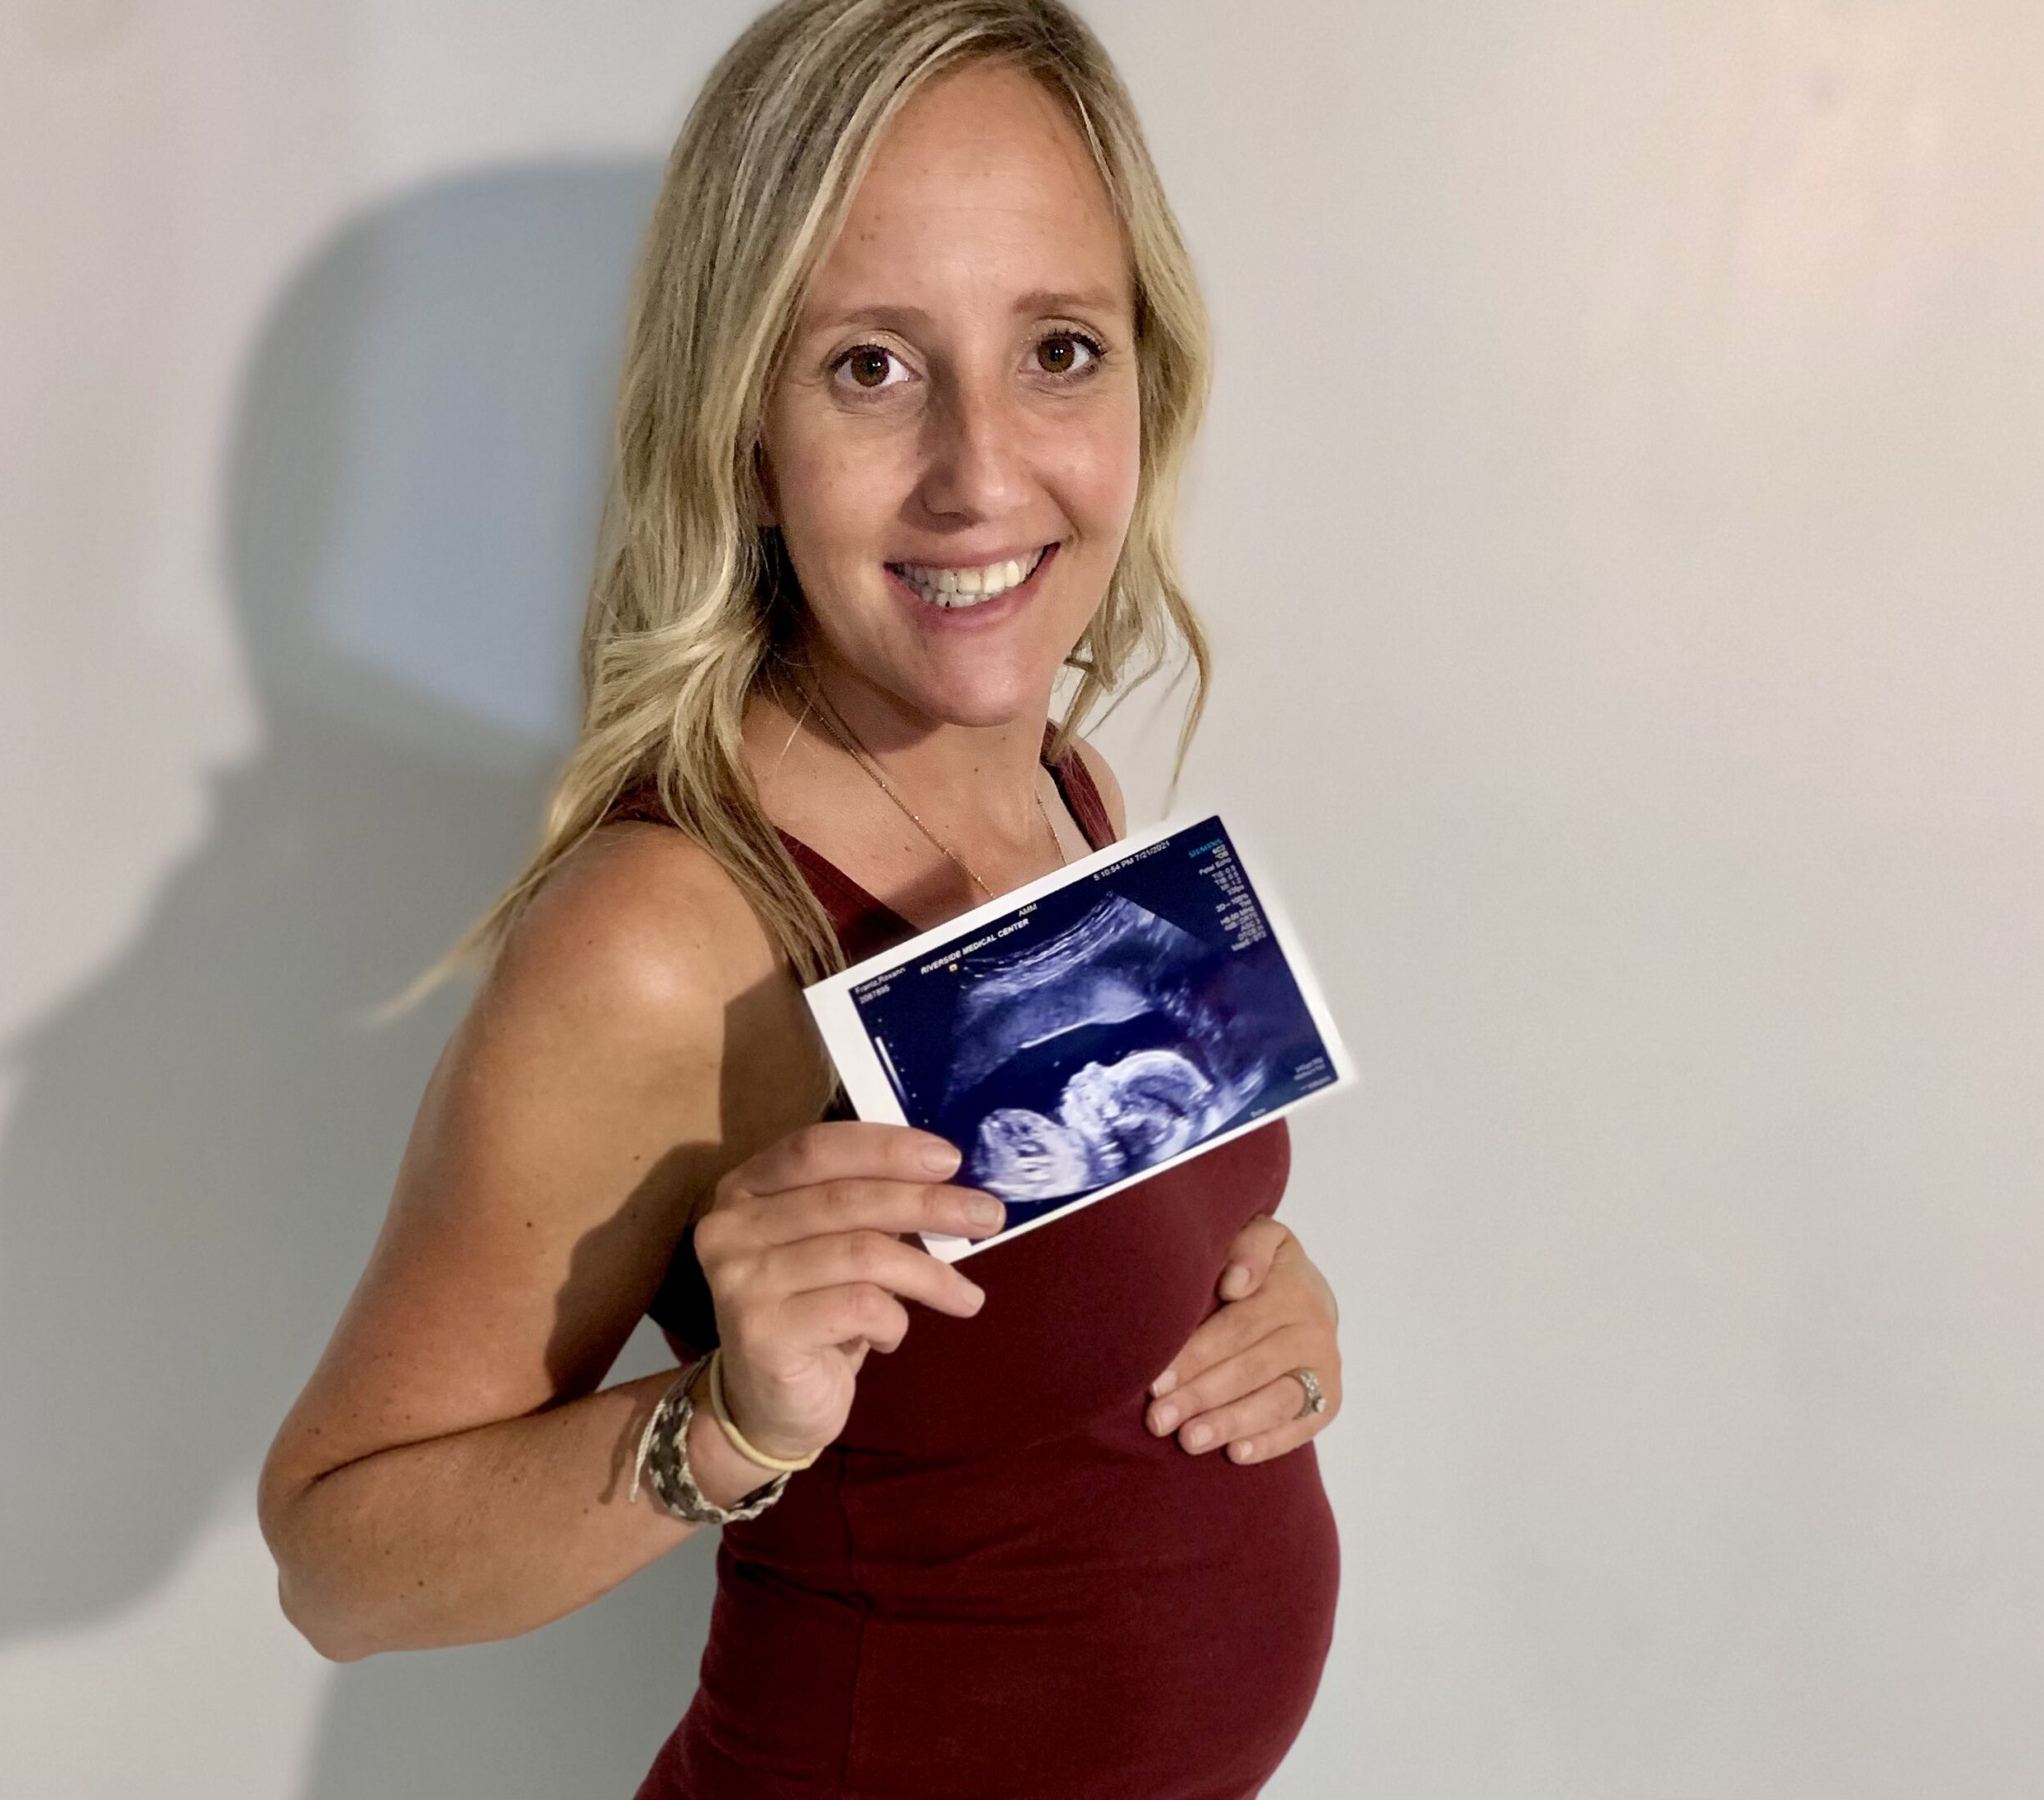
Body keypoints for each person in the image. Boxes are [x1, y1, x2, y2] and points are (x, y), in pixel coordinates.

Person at [256, 2, 1345, 1794]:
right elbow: (334, 1564)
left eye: (1057, 348)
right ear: (741, 424)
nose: (982, 474)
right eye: (869, 367)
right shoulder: (665, 939)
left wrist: (1266, 1329)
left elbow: (1038, 1358)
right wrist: (727, 1425)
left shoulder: (1057, 777)